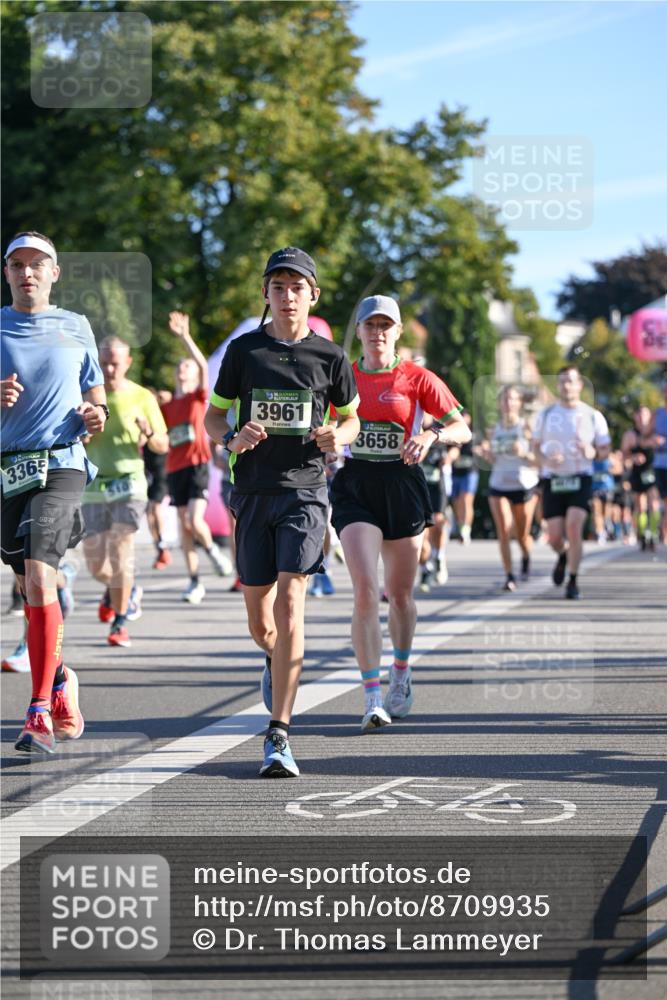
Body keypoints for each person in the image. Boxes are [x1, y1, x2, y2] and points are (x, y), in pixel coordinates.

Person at [204, 247, 360, 777]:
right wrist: (233, 436)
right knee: (260, 620)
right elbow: (211, 417)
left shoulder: (331, 357)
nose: (287, 296)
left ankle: (279, 733)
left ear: (312, 295)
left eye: (297, 287)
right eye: (278, 287)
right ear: (267, 295)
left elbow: (352, 419)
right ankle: (273, 658)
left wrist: (335, 435)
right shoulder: (244, 352)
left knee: (293, 603)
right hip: (252, 492)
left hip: (305, 490)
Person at [330, 295, 470, 731]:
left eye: (385, 325)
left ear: (398, 331)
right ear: (358, 332)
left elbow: (463, 427)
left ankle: (401, 673)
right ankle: (372, 693)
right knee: (366, 591)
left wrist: (431, 435)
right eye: (369, 325)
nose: (377, 333)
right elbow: (323, 421)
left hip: (404, 485)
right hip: (356, 484)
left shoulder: (417, 377)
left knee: (401, 594)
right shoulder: (344, 377)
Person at [1, 231, 107, 753]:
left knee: (42, 574)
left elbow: (96, 394)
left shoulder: (75, 326)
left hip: (62, 463)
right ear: (6, 273)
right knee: (28, 586)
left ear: (54, 272)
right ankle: (61, 679)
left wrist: (96, 414)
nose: (27, 273)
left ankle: (38, 709)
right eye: (17, 265)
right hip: (6, 470)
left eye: (36, 264)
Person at [82, 336, 168, 647]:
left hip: (129, 482)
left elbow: (162, 444)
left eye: (115, 363)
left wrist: (148, 431)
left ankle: (119, 622)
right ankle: (126, 589)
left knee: (121, 551)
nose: (109, 368)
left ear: (128, 363)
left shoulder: (142, 396)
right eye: (104, 362)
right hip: (93, 483)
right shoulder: (88, 394)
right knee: (96, 565)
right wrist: (82, 436)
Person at [160, 311, 232, 604]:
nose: (183, 368)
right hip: (174, 468)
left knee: (193, 518)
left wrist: (185, 337)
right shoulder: (168, 405)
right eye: (180, 366)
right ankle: (194, 581)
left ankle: (214, 552)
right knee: (183, 529)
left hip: (198, 465)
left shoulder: (197, 397)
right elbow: (161, 436)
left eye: (186, 366)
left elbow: (203, 365)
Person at [532, 365, 611, 600]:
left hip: (581, 478)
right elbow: (534, 450)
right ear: (558, 385)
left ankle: (573, 581)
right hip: (553, 480)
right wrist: (546, 459)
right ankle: (563, 555)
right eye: (563, 381)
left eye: (571, 381)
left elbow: (605, 450)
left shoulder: (592, 415)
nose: (567, 385)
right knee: (555, 537)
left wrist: (592, 452)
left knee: (574, 527)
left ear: (580, 385)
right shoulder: (545, 416)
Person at [480, 385, 539, 591]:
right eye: (505, 399)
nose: (508, 403)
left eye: (513, 399)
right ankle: (509, 575)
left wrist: (523, 453)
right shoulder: (493, 429)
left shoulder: (526, 427)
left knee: (521, 534)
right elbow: (491, 459)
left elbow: (537, 461)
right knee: (504, 530)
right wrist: (487, 454)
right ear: (500, 404)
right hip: (499, 484)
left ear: (519, 403)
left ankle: (525, 555)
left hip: (523, 485)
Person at [621, 404, 661, 551]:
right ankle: (643, 534)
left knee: (654, 504)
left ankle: (653, 533)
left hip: (652, 471)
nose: (642, 417)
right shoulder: (630, 435)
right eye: (640, 414)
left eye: (645, 414)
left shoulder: (656, 432)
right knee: (641, 505)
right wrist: (633, 456)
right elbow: (623, 454)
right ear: (635, 417)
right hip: (637, 472)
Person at [144, 389, 172, 570]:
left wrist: (159, 397)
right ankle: (160, 547)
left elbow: (168, 396)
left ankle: (162, 545)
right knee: (148, 511)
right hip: (148, 469)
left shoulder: (162, 413)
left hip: (163, 467)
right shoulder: (141, 420)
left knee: (155, 506)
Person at [449, 411, 477, 544]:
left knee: (466, 500)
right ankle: (461, 527)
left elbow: (482, 448)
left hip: (469, 473)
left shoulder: (474, 436)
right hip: (455, 474)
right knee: (457, 502)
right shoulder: (452, 435)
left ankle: (466, 530)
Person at [652, 375, 667, 544]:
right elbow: (643, 438)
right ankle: (662, 531)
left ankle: (663, 531)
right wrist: (653, 441)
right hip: (661, 464)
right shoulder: (658, 414)